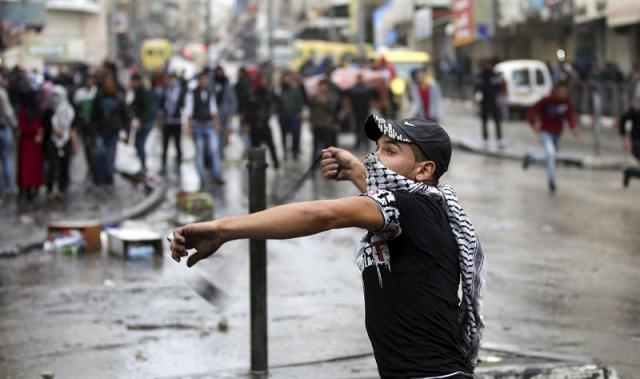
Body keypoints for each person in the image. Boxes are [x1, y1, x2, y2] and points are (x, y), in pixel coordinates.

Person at [169, 114, 484, 378]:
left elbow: (323, 215)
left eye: (389, 151)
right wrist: (356, 172)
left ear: (425, 170)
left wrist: (223, 229)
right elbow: (390, 202)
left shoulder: (405, 205)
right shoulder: (431, 205)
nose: (374, 157)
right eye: (375, 148)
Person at [523, 82, 580, 193]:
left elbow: (570, 116)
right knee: (550, 154)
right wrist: (533, 124)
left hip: (557, 134)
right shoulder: (547, 100)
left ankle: (530, 158)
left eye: (565, 92)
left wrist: (573, 127)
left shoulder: (567, 102)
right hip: (545, 132)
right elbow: (531, 111)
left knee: (550, 156)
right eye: (561, 92)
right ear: (556, 91)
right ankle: (552, 182)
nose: (563, 94)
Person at [185, 72, 224, 184]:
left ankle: (216, 174)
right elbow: (189, 111)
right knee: (199, 151)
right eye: (202, 79)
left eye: (206, 80)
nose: (204, 82)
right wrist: (189, 127)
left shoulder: (209, 93)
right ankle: (201, 176)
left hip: (209, 124)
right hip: (197, 124)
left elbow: (214, 110)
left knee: (214, 150)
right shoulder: (192, 94)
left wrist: (216, 124)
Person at [92, 75, 130, 185]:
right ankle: (99, 176)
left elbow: (125, 116)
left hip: (113, 131)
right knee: (99, 153)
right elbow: (94, 115)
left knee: (110, 154)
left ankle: (108, 176)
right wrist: (91, 131)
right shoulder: (99, 98)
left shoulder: (119, 98)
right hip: (100, 130)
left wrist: (126, 132)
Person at [44, 85, 75, 200]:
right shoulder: (49, 110)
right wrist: (53, 131)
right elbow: (45, 125)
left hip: (66, 140)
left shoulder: (69, 110)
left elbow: (72, 126)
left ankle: (62, 189)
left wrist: (73, 140)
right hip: (52, 141)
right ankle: (50, 189)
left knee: (64, 165)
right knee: (52, 165)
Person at [244, 73, 280, 169]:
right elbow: (247, 109)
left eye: (265, 80)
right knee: (255, 148)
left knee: (271, 145)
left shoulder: (269, 93)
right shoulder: (251, 93)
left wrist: (269, 113)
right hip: (254, 125)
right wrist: (246, 123)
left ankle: (276, 164)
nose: (263, 82)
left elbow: (276, 104)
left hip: (264, 124)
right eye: (262, 80)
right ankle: (255, 165)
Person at [17, 89, 44, 202]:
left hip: (27, 143)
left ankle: (27, 188)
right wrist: (38, 131)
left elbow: (23, 128)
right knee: (32, 167)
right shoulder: (37, 111)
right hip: (33, 143)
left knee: (27, 166)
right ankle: (31, 188)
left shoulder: (23, 112)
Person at [158, 72, 185, 176]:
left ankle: (178, 165)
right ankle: (163, 165)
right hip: (166, 121)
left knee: (177, 144)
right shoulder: (165, 90)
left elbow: (183, 105)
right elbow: (161, 105)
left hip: (176, 121)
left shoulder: (179, 91)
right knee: (165, 145)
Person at [130, 73, 157, 175]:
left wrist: (141, 120)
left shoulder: (142, 91)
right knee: (138, 143)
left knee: (139, 143)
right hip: (146, 121)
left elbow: (148, 108)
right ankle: (143, 166)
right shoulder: (139, 91)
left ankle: (144, 167)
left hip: (146, 122)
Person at [474, 59, 504, 149]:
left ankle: (499, 139)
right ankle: (485, 139)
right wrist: (477, 94)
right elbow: (477, 86)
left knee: (497, 121)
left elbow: (499, 86)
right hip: (485, 101)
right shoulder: (481, 75)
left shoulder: (495, 75)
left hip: (494, 101)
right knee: (484, 121)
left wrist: (499, 96)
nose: (488, 66)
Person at [73, 74, 97, 181]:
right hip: (84, 124)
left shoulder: (96, 92)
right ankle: (90, 164)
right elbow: (77, 109)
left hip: (95, 123)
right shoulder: (79, 93)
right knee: (87, 144)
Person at [276, 71, 304, 161]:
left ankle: (295, 151)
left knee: (295, 134)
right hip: (283, 115)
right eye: (285, 78)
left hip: (294, 115)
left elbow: (299, 101)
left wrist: (300, 112)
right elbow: (276, 102)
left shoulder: (295, 89)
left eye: (288, 78)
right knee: (283, 135)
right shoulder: (279, 90)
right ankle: (285, 152)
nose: (287, 80)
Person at [308, 80, 337, 162]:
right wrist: (311, 122)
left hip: (326, 123)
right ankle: (315, 163)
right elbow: (311, 109)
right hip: (317, 124)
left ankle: (326, 161)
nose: (322, 88)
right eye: (321, 86)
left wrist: (325, 102)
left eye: (324, 86)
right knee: (315, 145)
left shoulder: (330, 96)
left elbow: (332, 109)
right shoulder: (314, 96)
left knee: (326, 145)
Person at [212, 66, 237, 157]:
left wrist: (231, 114)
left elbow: (232, 100)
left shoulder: (227, 85)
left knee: (222, 134)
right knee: (214, 134)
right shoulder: (212, 84)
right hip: (213, 114)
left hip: (224, 114)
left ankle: (220, 153)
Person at [0, 73, 18, 195]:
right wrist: (15, 125)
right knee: (6, 158)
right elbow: (8, 112)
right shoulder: (2, 93)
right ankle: (9, 186)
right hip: (4, 128)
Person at [618, 90, 640, 188]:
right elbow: (623, 120)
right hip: (637, 142)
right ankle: (629, 172)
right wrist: (624, 138)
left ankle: (629, 172)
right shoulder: (636, 108)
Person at [348, 73, 374, 149]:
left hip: (361, 110)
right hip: (359, 110)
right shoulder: (365, 88)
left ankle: (361, 143)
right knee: (360, 126)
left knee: (361, 126)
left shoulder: (354, 88)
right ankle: (361, 142)